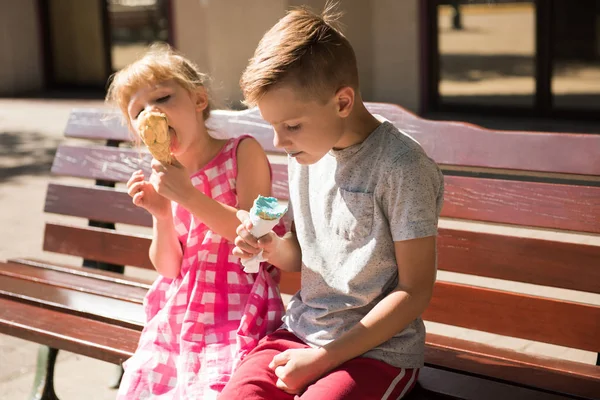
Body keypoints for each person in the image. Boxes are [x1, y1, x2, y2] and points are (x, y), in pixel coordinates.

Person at [220, 5, 444, 400]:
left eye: (291, 126)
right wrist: (272, 246)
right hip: (301, 333)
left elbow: (415, 290)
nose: (280, 142)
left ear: (342, 102)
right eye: (273, 127)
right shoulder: (306, 152)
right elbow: (304, 258)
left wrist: (324, 359)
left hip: (378, 352)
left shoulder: (402, 166)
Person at [105, 43, 286, 399]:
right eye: (138, 110)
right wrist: (162, 214)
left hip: (239, 305)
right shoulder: (165, 178)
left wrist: (186, 196)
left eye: (163, 98)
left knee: (214, 386)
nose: (151, 112)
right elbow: (170, 268)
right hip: (181, 308)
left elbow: (255, 237)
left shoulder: (241, 153)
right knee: (147, 385)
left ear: (199, 100)